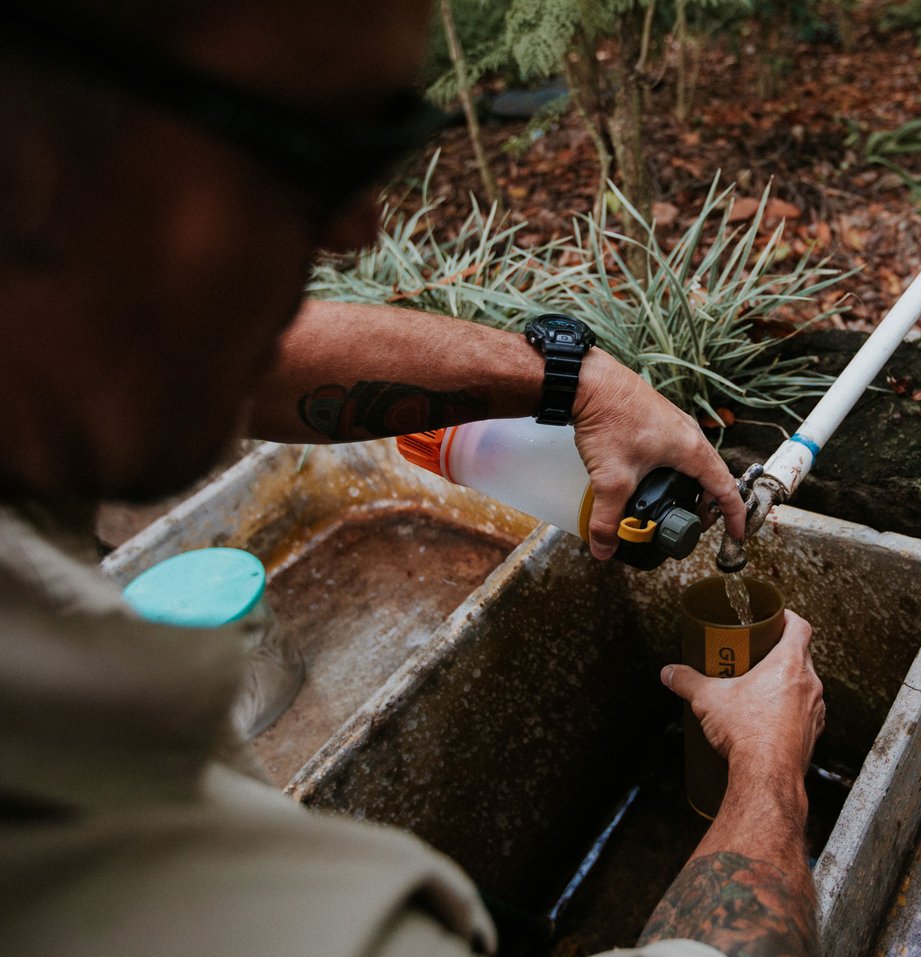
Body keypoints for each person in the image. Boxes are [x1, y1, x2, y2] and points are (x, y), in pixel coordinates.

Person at [0, 3, 825, 956]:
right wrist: (771, 772)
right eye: (305, 147)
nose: (358, 229)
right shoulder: (105, 853)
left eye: (379, 138)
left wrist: (575, 375)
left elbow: (211, 345)